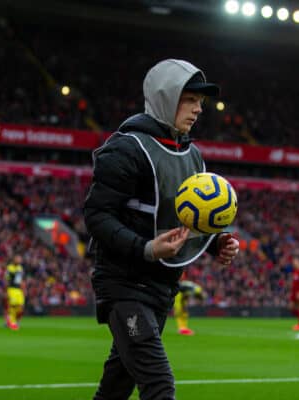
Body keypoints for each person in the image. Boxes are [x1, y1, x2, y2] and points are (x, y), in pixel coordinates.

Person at [83, 59, 239, 400]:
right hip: (124, 286)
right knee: (158, 385)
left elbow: (183, 219)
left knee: (117, 386)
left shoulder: (193, 155)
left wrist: (214, 243)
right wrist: (147, 248)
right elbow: (96, 216)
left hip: (161, 289)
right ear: (166, 97)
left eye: (201, 102)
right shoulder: (126, 148)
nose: (199, 109)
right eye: (190, 99)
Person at [5, 254, 25, 330]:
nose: (19, 260)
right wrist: (6, 291)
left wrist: (23, 289)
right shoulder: (9, 268)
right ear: (14, 259)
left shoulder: (20, 268)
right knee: (13, 306)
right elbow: (7, 280)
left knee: (21, 307)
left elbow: (21, 280)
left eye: (20, 259)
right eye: (17, 258)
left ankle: (14, 321)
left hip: (19, 290)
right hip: (12, 289)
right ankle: (11, 322)